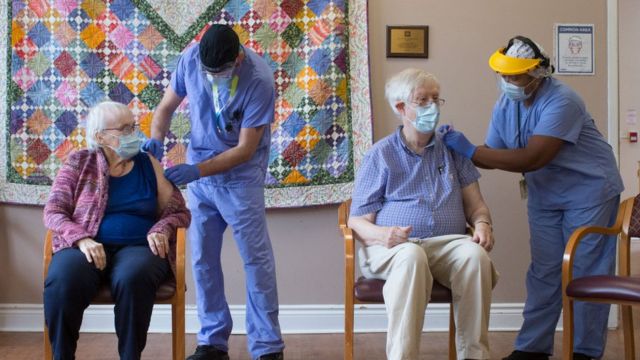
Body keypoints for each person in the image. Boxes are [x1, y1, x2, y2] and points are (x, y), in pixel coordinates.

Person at [440, 36, 624, 360]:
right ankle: (533, 348)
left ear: (537, 73)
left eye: (515, 75)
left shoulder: (563, 101)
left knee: (585, 270)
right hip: (546, 195)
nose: (508, 82)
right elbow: (495, 154)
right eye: (504, 75)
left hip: (590, 191)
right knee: (544, 270)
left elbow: (532, 158)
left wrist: (470, 150)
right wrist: (455, 152)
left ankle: (584, 351)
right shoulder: (506, 103)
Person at [142, 24, 284, 360]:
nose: (211, 77)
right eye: (208, 72)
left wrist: (196, 171)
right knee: (203, 260)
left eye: (218, 72)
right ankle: (212, 342)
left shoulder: (259, 79)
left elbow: (246, 149)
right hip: (202, 180)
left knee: (256, 262)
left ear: (237, 58)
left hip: (241, 180)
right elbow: (164, 108)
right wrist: (156, 141)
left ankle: (267, 347)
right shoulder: (191, 58)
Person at [348, 68, 499, 360]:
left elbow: (477, 206)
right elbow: (356, 220)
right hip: (393, 248)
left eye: (435, 99)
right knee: (411, 255)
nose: (431, 106)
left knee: (475, 255)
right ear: (401, 107)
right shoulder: (380, 154)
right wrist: (385, 234)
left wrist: (483, 224)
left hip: (447, 243)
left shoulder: (452, 150)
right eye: (422, 99)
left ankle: (475, 355)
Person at [43, 101, 191, 360]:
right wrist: (81, 239)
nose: (134, 134)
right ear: (101, 136)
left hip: (139, 247)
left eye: (133, 126)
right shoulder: (79, 162)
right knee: (62, 280)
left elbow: (180, 212)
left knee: (133, 277)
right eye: (125, 129)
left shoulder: (148, 164)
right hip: (85, 247)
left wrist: (162, 228)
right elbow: (53, 212)